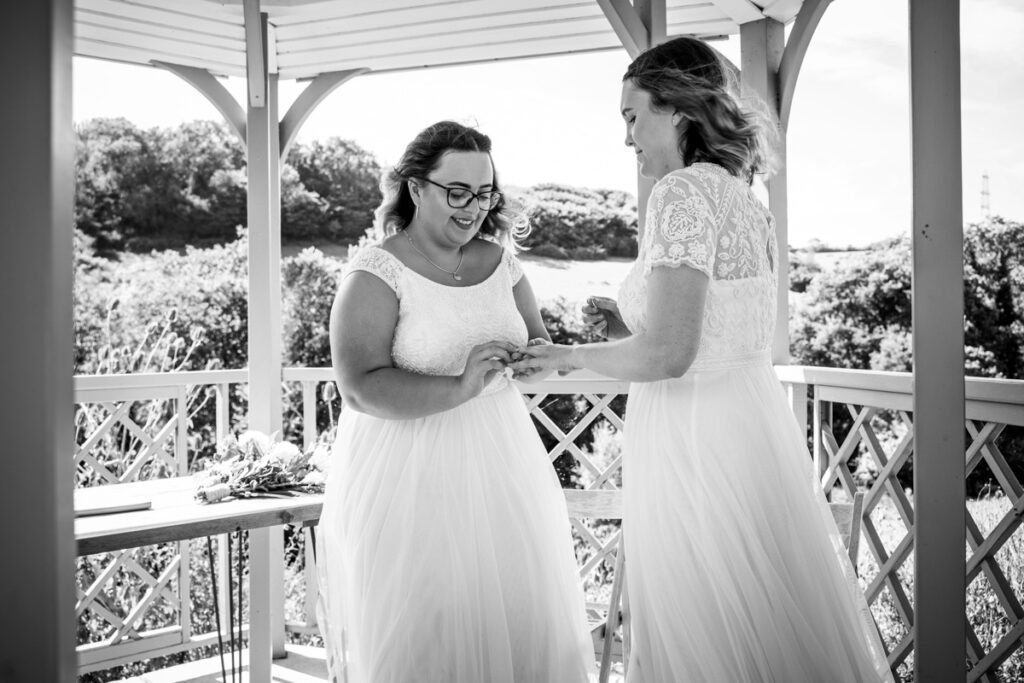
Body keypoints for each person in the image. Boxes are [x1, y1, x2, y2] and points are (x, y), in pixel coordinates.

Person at [511, 37, 894, 682]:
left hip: (691, 441)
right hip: (746, 428)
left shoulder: (680, 196)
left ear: (678, 111)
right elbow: (717, 329)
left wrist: (564, 353)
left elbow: (669, 353)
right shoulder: (744, 200)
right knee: (758, 621)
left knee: (701, 626)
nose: (627, 138)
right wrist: (626, 324)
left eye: (633, 117)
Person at [315, 121, 593, 683]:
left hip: (502, 467)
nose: (473, 208)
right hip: (408, 477)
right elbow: (361, 387)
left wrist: (552, 354)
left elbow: (534, 352)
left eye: (484, 193)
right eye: (457, 191)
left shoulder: (502, 263)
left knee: (518, 616)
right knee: (426, 632)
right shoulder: (375, 272)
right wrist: (460, 386)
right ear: (416, 187)